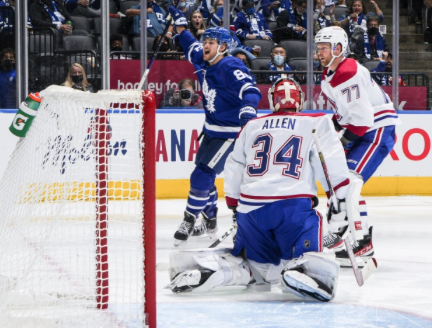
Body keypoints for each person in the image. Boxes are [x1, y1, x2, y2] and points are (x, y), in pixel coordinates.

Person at [166, 77, 345, 303]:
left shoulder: (252, 126)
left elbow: (233, 168)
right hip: (292, 210)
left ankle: (218, 271)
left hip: (251, 212)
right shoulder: (317, 121)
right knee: (310, 246)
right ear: (300, 101)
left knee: (258, 270)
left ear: (273, 101)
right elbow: (331, 168)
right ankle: (304, 271)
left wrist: (234, 207)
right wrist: (339, 202)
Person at [168, 6, 262, 245]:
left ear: (223, 47)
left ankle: (189, 220)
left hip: (229, 135)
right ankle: (209, 219)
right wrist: (181, 25)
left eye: (211, 41)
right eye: (205, 40)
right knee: (203, 173)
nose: (205, 44)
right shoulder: (203, 58)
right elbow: (189, 43)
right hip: (211, 130)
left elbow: (250, 89)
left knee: (202, 174)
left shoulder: (230, 66)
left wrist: (248, 107)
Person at [315, 26, 400, 265]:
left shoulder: (347, 72)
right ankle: (347, 241)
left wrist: (341, 142)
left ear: (338, 49)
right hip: (364, 130)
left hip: (376, 131)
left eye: (324, 48)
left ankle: (360, 242)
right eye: (318, 48)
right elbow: (345, 115)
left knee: (349, 182)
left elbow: (362, 120)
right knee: (339, 183)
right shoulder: (331, 74)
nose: (319, 52)